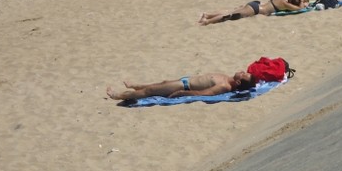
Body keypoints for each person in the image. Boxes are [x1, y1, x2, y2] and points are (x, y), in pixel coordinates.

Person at [106, 71, 257, 101]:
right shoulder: (227, 78)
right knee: (162, 83)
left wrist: (182, 93)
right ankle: (136, 86)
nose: (243, 71)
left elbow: (206, 93)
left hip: (183, 87)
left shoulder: (225, 86)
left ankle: (118, 95)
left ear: (238, 83)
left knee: (150, 91)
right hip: (184, 81)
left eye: (244, 75)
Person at [198, 0, 310, 26]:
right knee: (229, 16)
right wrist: (303, 3)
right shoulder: (286, 5)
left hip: (256, 4)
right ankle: (207, 21)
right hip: (256, 10)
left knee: (230, 11)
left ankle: (207, 15)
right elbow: (300, 9)